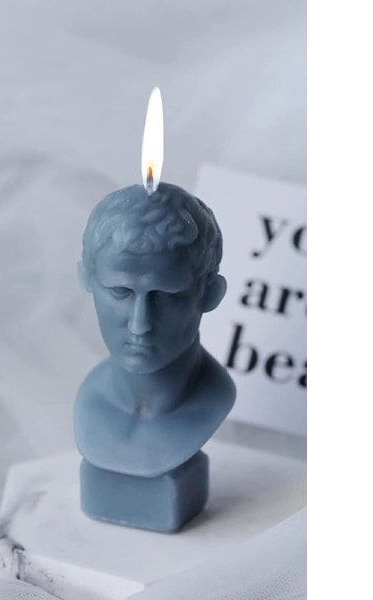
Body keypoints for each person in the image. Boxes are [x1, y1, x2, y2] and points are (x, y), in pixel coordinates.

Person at [75, 182, 236, 531]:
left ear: (210, 294)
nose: (140, 324)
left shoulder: (213, 397)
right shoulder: (91, 400)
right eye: (120, 291)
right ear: (86, 279)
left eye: (165, 295)